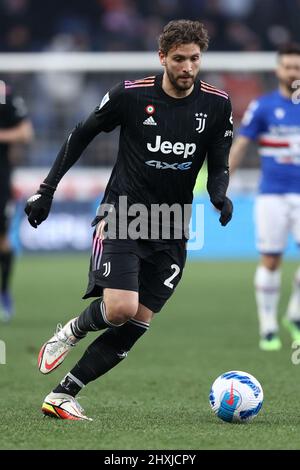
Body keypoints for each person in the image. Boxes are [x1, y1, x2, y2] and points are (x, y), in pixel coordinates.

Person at [25, 19, 233, 421]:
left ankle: (64, 394)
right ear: (162, 58)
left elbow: (219, 159)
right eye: (179, 59)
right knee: (120, 308)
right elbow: (81, 133)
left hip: (173, 224)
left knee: (137, 322)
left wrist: (218, 194)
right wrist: (47, 189)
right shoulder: (130, 95)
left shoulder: (217, 104)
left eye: (194, 59)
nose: (188, 67)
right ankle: (72, 330)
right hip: (124, 214)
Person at [229, 43, 300, 351]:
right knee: (271, 260)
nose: (293, 72)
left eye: (298, 66)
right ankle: (268, 325)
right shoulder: (264, 106)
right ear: (278, 70)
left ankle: (295, 315)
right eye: (288, 66)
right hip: (271, 194)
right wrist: (222, 180)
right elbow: (242, 145)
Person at [0, 83, 33, 321]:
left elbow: (25, 132)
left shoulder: (4, 96)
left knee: (2, 240)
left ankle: (3, 293)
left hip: (0, 178)